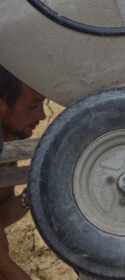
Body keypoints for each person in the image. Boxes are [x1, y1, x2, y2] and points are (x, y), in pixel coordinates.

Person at [0, 65, 46, 280]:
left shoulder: (9, 140)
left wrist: (31, 196)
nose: (42, 115)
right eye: (33, 106)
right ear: (1, 106)